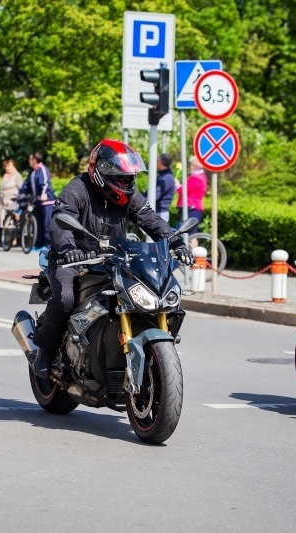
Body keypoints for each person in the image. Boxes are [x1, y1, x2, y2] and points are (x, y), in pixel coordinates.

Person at [29, 139, 195, 379]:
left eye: (129, 178)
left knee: (155, 296)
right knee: (66, 298)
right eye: (121, 178)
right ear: (102, 173)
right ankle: (43, 351)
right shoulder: (77, 189)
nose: (126, 183)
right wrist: (68, 248)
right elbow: (60, 220)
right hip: (73, 259)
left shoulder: (129, 196)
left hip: (114, 260)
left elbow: (150, 219)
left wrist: (175, 242)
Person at [19, 151, 55, 248]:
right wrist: (21, 194)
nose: (28, 161)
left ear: (35, 160)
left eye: (30, 159)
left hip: (47, 201)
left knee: (47, 224)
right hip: (37, 201)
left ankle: (48, 245)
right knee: (38, 223)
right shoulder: (32, 172)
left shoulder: (42, 169)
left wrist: (44, 194)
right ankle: (38, 243)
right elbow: (26, 185)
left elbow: (45, 183)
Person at [175, 156, 208, 229]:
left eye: (191, 164)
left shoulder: (196, 178)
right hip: (191, 207)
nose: (190, 166)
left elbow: (183, 190)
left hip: (191, 207)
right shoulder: (199, 176)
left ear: (195, 166)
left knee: (190, 234)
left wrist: (176, 185)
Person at [0, 159, 24, 232]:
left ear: (14, 166)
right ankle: (4, 238)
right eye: (6, 166)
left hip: (12, 201)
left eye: (10, 166)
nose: (7, 168)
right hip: (3, 201)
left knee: (12, 222)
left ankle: (13, 240)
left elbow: (21, 189)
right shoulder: (5, 176)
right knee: (3, 221)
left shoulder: (17, 176)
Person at [149, 153, 176, 222]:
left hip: (160, 213)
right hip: (158, 212)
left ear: (160, 161)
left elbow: (155, 195)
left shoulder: (166, 178)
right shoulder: (164, 176)